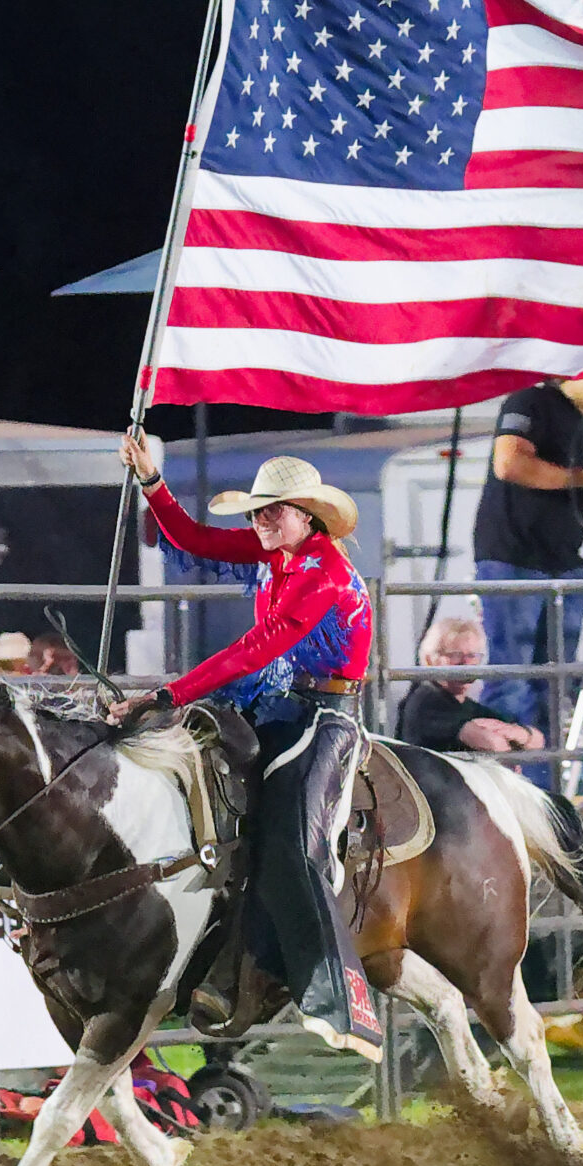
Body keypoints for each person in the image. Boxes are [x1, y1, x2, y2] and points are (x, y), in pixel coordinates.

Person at [112, 437, 379, 1061]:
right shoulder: (274, 555)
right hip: (272, 703)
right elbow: (191, 539)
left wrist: (167, 694)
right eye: (258, 512)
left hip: (323, 717)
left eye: (273, 511)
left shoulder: (326, 575)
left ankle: (338, 993)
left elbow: (257, 647)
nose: (260, 522)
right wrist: (153, 479)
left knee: (293, 843)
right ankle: (227, 964)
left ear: (305, 517)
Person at [471, 371, 583, 754]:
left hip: (566, 566)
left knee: (556, 686)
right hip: (513, 557)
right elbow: (509, 464)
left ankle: (547, 786)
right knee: (512, 677)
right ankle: (502, 781)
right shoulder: (529, 401)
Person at [398, 614, 541, 754]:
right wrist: (513, 735)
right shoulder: (426, 701)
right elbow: (492, 744)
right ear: (430, 660)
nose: (466, 664)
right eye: (455, 655)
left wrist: (518, 733)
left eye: (472, 656)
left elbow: (538, 741)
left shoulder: (466, 705)